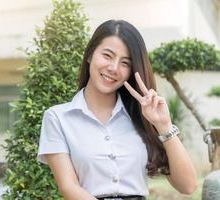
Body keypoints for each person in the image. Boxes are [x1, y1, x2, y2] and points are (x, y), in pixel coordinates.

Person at [37, 19, 197, 200]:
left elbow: (188, 186)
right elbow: (68, 187)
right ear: (89, 55)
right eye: (107, 55)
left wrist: (164, 125)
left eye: (125, 63)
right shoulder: (58, 118)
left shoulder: (142, 116)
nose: (113, 68)